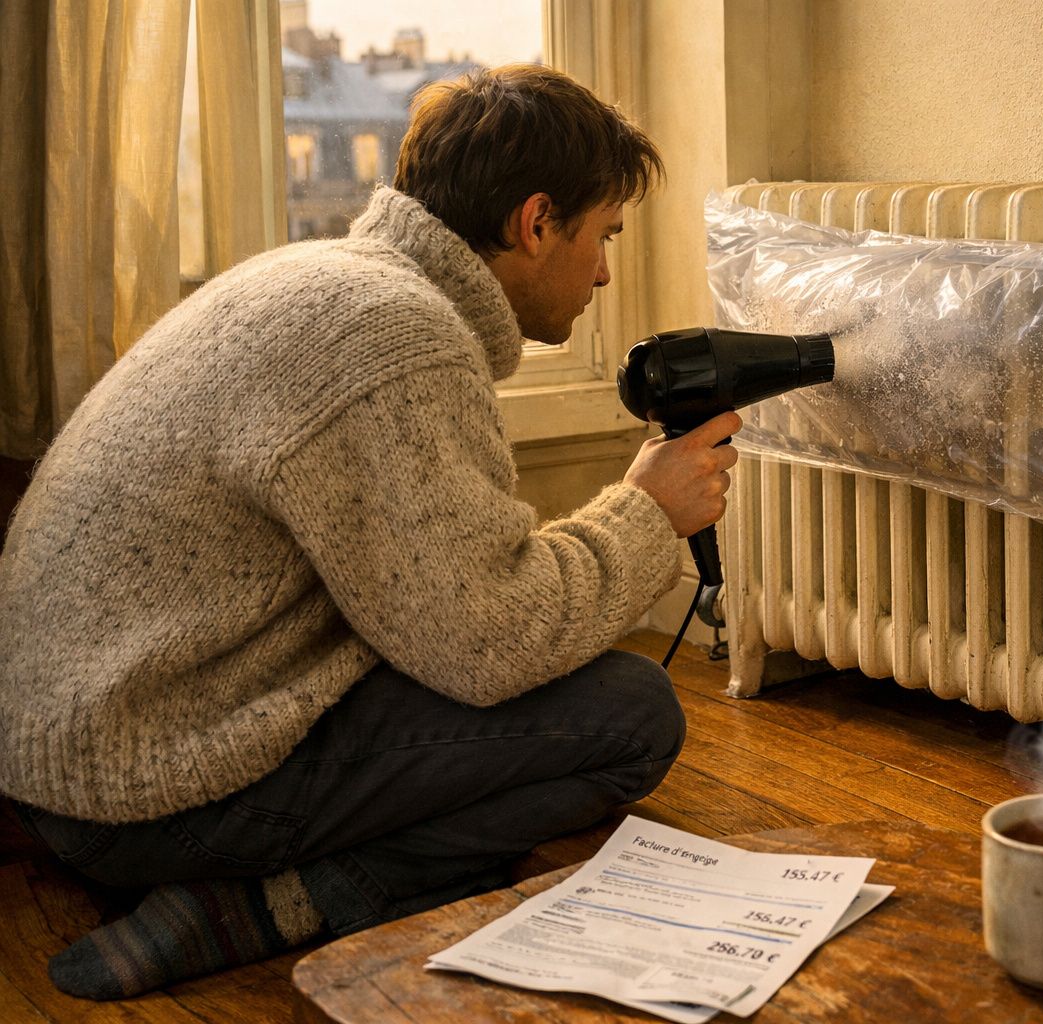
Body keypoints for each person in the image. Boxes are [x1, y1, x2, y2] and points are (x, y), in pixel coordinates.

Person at [0, 64, 740, 1000]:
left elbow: (436, 606)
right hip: (144, 792)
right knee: (631, 715)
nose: (600, 271)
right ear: (536, 222)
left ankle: (253, 886)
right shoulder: (394, 337)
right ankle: (272, 905)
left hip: (73, 756)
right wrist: (647, 512)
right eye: (604, 236)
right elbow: (486, 643)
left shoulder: (316, 281)